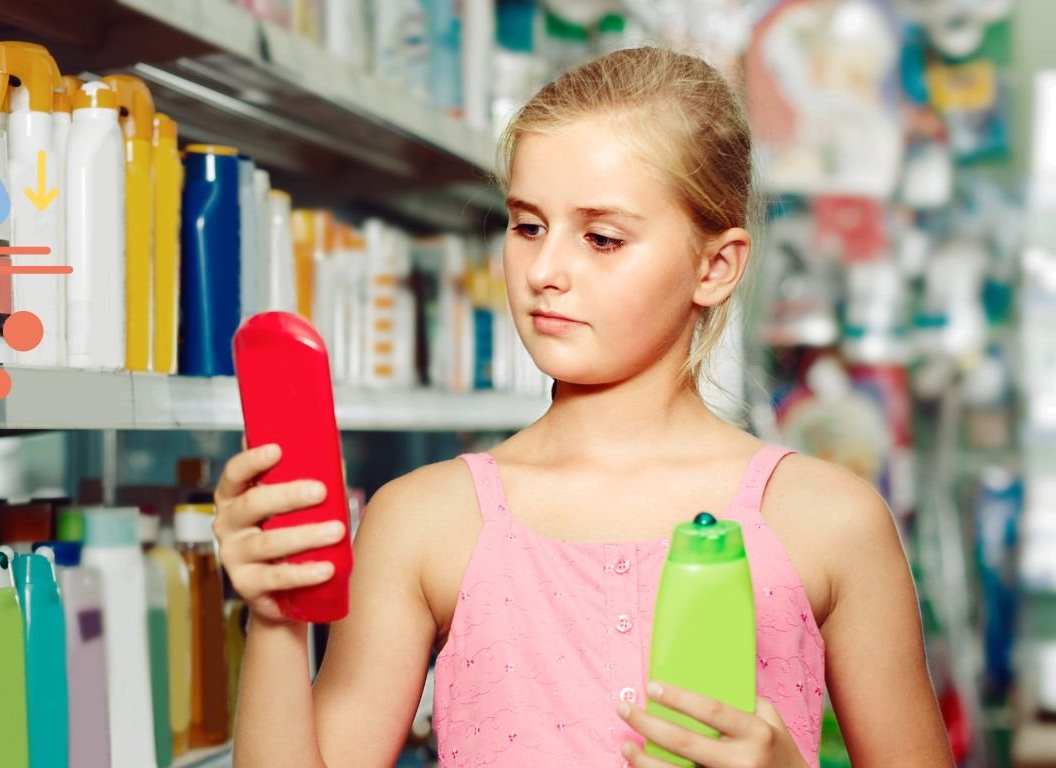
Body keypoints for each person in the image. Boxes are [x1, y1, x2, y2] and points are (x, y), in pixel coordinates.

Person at [215, 47, 953, 767]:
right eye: (527, 226)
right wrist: (276, 616)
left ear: (716, 265)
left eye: (601, 238)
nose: (545, 271)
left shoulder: (830, 522)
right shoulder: (423, 521)